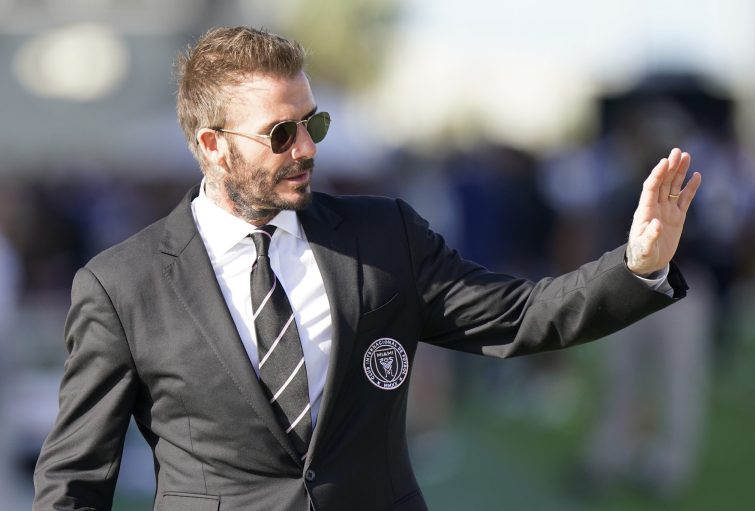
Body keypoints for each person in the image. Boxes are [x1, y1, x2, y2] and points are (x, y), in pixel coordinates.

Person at [32, 26, 701, 511]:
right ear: (212, 145)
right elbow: (73, 479)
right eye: (280, 133)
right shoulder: (121, 284)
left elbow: (521, 316)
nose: (306, 148)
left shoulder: (385, 234)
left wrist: (637, 265)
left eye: (313, 123)